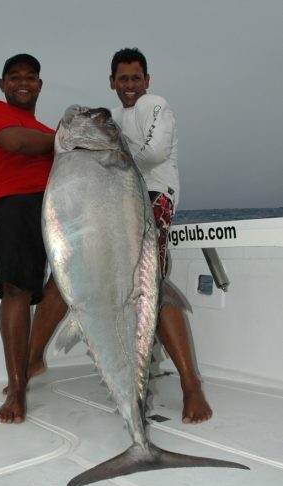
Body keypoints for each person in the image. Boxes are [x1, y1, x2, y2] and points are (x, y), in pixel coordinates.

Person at [109, 48, 212, 424]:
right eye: (123, 78)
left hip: (155, 197)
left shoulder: (157, 105)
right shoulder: (112, 118)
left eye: (136, 78)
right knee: (130, 284)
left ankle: (191, 384)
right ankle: (140, 370)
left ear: (147, 80)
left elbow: (154, 154)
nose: (130, 85)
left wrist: (110, 152)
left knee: (152, 281)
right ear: (112, 82)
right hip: (123, 200)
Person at [0, 54, 67, 424]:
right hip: (13, 203)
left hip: (56, 207)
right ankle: (17, 389)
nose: (23, 82)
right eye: (14, 77)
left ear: (40, 85)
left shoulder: (49, 131)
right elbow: (19, 143)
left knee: (67, 282)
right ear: (2, 84)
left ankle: (33, 358)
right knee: (17, 290)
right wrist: (63, 137)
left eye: (31, 77)